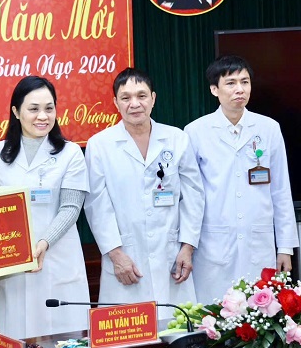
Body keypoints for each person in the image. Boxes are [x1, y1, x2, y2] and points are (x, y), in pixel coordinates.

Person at [84, 68, 204, 319]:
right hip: (126, 257)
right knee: (129, 333)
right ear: (116, 102)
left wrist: (188, 247)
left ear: (153, 98)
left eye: (141, 95)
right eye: (126, 97)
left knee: (177, 329)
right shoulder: (100, 144)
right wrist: (116, 255)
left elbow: (193, 196)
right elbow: (97, 205)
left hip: (172, 254)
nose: (135, 103)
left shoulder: (176, 138)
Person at [0, 76, 90, 338]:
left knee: (64, 346)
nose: (43, 116)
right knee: (15, 343)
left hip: (57, 261)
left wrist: (43, 243)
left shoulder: (70, 153)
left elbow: (71, 208)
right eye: (33, 108)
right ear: (16, 112)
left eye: (49, 108)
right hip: (12, 269)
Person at [184, 56, 298, 304]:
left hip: (259, 244)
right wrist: (187, 245)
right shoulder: (195, 131)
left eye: (245, 82)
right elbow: (191, 196)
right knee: (213, 315)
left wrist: (285, 247)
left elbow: (280, 190)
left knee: (259, 312)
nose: (240, 89)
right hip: (213, 245)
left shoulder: (269, 128)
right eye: (231, 83)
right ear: (214, 89)